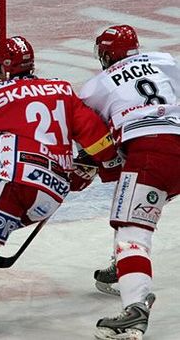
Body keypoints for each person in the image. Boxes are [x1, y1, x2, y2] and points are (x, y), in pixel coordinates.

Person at [0, 36, 123, 340]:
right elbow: (96, 138)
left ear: (2, 67)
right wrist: (104, 161)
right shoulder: (62, 89)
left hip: (15, 180)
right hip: (53, 191)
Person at [79, 25, 180, 340]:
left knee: (131, 230)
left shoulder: (96, 86)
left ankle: (135, 309)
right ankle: (122, 267)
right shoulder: (164, 60)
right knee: (135, 200)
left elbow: (91, 137)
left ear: (106, 55)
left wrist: (85, 165)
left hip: (151, 154)